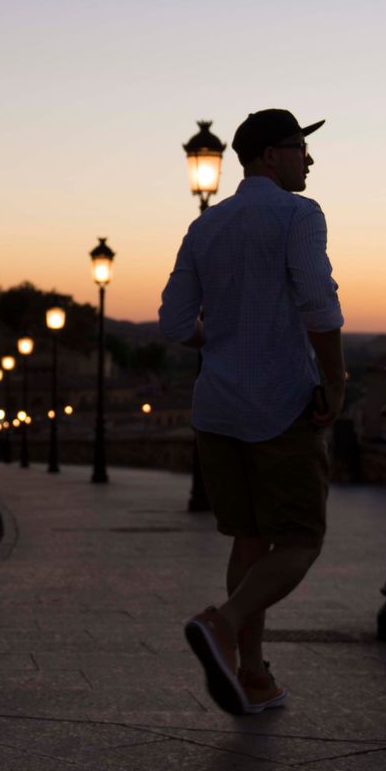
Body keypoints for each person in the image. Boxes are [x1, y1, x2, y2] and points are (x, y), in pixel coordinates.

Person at [159, 108, 344, 717]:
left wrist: (223, 340)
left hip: (218, 411)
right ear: (271, 156)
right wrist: (336, 381)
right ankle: (223, 623)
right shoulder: (299, 214)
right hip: (281, 405)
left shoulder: (205, 228)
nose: (309, 159)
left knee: (249, 538)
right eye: (300, 148)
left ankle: (252, 674)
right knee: (301, 540)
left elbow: (175, 324)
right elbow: (319, 304)